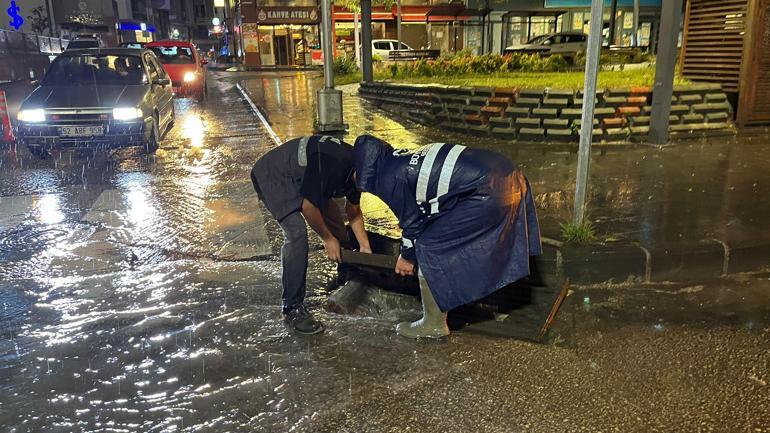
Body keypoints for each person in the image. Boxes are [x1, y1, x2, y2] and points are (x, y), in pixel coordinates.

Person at [353, 135, 541, 339]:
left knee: (428, 245)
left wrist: (406, 257)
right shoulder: (401, 158)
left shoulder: (388, 179)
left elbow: (412, 225)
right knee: (474, 238)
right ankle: (504, 298)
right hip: (511, 175)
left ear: (364, 168)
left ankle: (433, 325)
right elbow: (433, 198)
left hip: (488, 191)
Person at [251, 135, 372, 335]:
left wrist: (364, 246)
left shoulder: (361, 169)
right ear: (356, 170)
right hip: (274, 175)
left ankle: (346, 273)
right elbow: (309, 207)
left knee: (335, 219)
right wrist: (328, 239)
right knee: (297, 233)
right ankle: (292, 308)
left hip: (304, 176)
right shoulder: (333, 165)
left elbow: (353, 210)